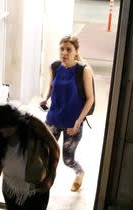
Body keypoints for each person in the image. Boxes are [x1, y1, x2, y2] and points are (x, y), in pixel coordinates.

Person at [39, 35, 94, 192]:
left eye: (68, 49)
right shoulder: (55, 67)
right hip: (53, 119)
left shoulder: (83, 70)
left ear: (76, 52)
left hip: (73, 124)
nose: (64, 52)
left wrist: (78, 122)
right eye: (62, 49)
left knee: (67, 160)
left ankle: (80, 173)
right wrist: (44, 98)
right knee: (44, 153)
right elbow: (50, 87)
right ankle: (44, 184)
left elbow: (90, 99)